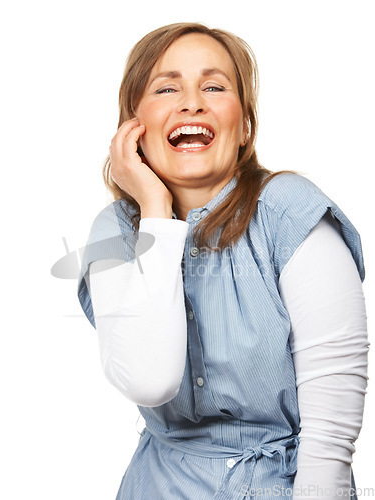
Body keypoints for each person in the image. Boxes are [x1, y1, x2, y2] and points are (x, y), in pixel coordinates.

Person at [77, 22, 368, 499]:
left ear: (245, 126)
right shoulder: (114, 231)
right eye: (166, 87)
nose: (191, 102)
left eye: (214, 86)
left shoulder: (291, 214)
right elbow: (149, 379)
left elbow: (331, 432)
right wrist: (154, 209)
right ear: (133, 128)